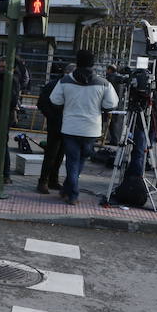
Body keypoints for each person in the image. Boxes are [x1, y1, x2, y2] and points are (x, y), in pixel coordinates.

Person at [50, 49, 119, 205]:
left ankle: (72, 193)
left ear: (77, 61)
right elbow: (111, 103)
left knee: (72, 161)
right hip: (91, 129)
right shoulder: (103, 83)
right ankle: (69, 190)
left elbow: (55, 100)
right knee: (81, 160)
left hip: (70, 127)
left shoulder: (65, 80)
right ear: (93, 63)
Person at [36, 63, 74, 195]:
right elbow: (42, 103)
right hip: (58, 124)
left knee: (58, 155)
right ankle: (44, 180)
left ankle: (51, 179)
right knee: (52, 154)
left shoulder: (58, 84)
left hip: (62, 124)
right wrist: (53, 117)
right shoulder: (55, 85)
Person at [0, 56, 20, 184]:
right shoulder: (4, 79)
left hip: (4, 116)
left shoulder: (10, 80)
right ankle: (2, 172)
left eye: (3, 67)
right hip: (1, 114)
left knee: (2, 144)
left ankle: (4, 173)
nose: (0, 69)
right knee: (1, 144)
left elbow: (11, 100)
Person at [104, 64, 126, 145]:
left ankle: (114, 140)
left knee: (111, 123)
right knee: (113, 122)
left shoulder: (110, 78)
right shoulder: (120, 78)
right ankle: (114, 139)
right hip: (118, 103)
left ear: (110, 70)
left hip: (110, 103)